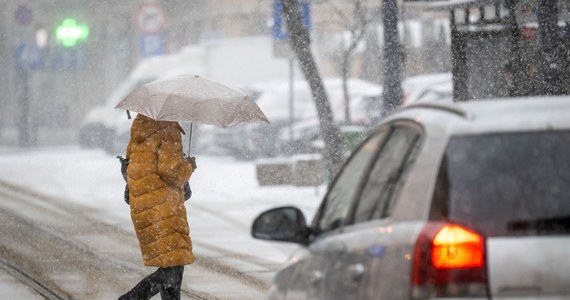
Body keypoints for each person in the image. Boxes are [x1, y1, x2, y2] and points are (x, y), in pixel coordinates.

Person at [119, 114, 195, 300]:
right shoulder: (168, 130)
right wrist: (189, 166)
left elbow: (134, 166)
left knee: (171, 267)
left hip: (145, 207)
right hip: (163, 209)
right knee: (172, 270)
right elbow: (171, 171)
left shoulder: (141, 129)